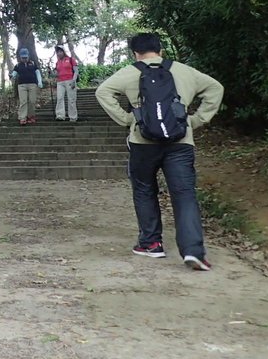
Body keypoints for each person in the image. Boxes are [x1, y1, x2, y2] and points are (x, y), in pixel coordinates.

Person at [95, 33, 224, 271]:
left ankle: (151, 243)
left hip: (143, 142)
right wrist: (195, 120)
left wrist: (128, 119)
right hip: (180, 142)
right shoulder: (185, 71)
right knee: (184, 194)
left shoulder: (129, 72)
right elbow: (216, 88)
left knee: (144, 190)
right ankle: (194, 251)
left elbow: (102, 92)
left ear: (135, 53)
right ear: (161, 50)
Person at [10, 48, 43, 126]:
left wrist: (40, 82)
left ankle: (31, 116)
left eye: (25, 57)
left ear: (28, 56)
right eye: (23, 58)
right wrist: (12, 75)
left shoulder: (33, 63)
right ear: (20, 57)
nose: (24, 59)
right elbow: (14, 74)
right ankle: (22, 117)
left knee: (32, 101)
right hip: (22, 85)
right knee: (23, 101)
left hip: (32, 84)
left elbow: (37, 72)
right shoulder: (18, 65)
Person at [53, 45, 79, 122]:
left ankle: (73, 117)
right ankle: (60, 115)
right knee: (60, 98)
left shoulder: (71, 59)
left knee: (71, 99)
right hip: (60, 82)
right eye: (57, 52)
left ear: (64, 52)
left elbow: (76, 71)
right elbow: (56, 74)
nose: (59, 53)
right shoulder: (57, 62)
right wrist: (51, 72)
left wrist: (74, 80)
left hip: (70, 80)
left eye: (60, 51)